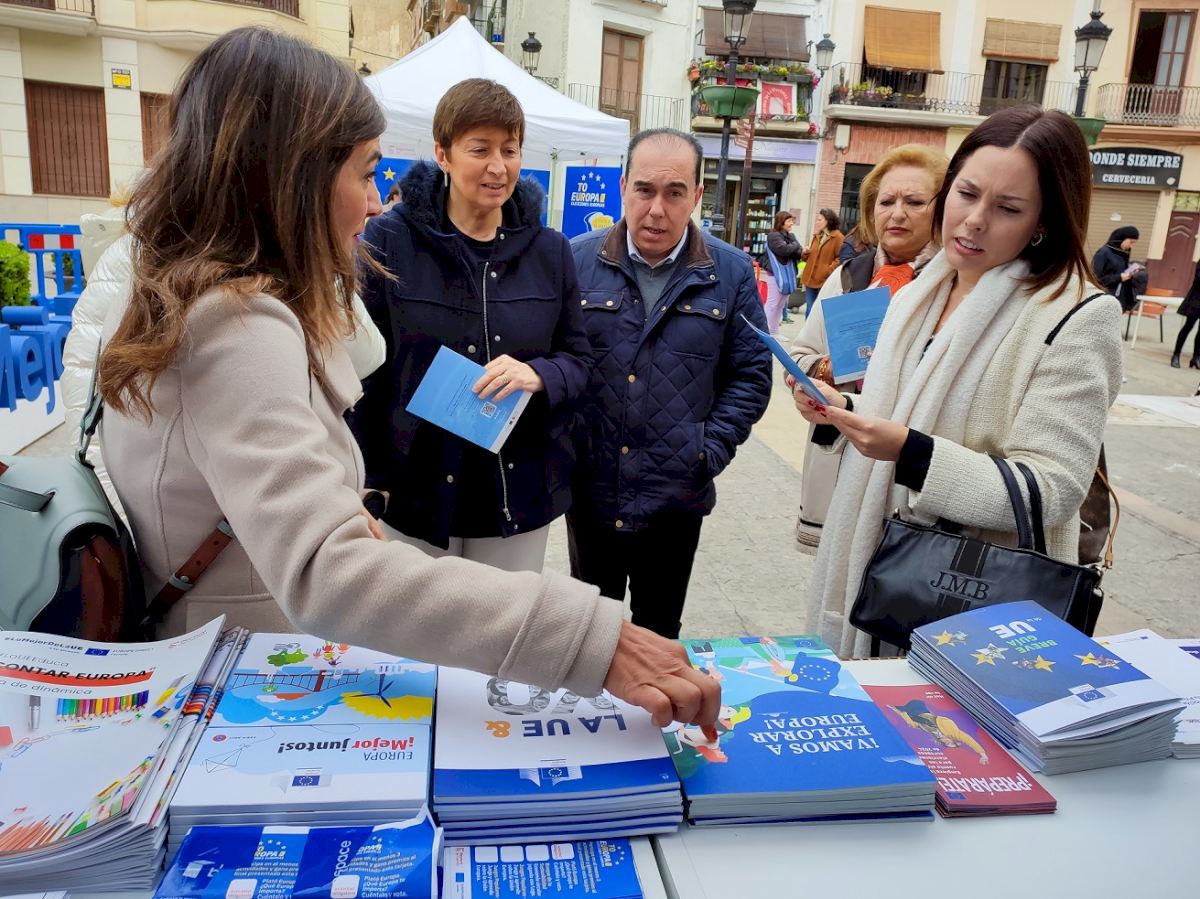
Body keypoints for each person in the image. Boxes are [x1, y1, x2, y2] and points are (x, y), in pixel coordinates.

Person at [96, 27, 718, 731]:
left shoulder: (182, 288)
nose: (373, 202)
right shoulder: (235, 322)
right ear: (294, 174)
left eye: (510, 149)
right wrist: (590, 638)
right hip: (244, 680)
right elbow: (327, 569)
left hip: (244, 653)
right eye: (365, 173)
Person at [797, 105, 1123, 658]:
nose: (974, 220)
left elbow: (1052, 489)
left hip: (973, 600)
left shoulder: (1077, 315)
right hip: (876, 565)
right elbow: (908, 408)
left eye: (1007, 208)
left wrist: (910, 453)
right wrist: (845, 409)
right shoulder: (918, 292)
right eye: (966, 194)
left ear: (1044, 221)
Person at [350, 79, 591, 573]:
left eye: (510, 150)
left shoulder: (550, 251)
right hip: (413, 491)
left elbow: (580, 361)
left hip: (517, 491)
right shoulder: (389, 240)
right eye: (480, 150)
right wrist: (369, 474)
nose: (498, 167)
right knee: (415, 619)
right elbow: (365, 368)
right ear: (443, 154)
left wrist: (540, 374)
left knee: (506, 620)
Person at [567, 127, 773, 639]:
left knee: (658, 636)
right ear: (623, 188)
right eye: (644, 190)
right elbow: (556, 360)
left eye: (674, 192)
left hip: (675, 500)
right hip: (592, 493)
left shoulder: (730, 273)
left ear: (697, 195)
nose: (657, 209)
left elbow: (751, 375)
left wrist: (706, 451)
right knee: (588, 637)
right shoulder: (576, 261)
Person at [788, 144, 947, 549]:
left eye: (914, 202)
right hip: (841, 448)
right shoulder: (848, 277)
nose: (897, 213)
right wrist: (825, 374)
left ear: (943, 209)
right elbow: (801, 355)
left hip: (908, 465)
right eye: (886, 201)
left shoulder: (954, 283)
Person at [761, 211, 803, 335]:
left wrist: (794, 246)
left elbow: (798, 252)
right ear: (781, 222)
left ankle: (774, 332)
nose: (791, 223)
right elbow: (784, 250)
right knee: (772, 304)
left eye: (792, 221)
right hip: (776, 274)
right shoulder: (773, 236)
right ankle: (764, 332)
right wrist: (795, 244)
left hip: (787, 274)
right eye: (789, 221)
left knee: (780, 305)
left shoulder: (789, 236)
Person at [799, 208, 844, 317]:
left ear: (828, 221)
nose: (817, 222)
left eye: (819, 220)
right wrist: (805, 253)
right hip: (810, 279)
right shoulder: (816, 235)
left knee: (820, 312)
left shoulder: (838, 237)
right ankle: (808, 329)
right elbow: (808, 257)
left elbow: (840, 258)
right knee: (809, 310)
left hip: (824, 280)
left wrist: (827, 270)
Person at [1091, 226, 1141, 312]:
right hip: (1104, 300)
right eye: (1131, 242)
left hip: (1117, 300)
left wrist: (1130, 272)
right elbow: (1095, 278)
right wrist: (1119, 277)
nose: (1131, 246)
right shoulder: (1103, 253)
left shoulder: (1122, 253)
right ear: (1122, 238)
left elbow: (1120, 273)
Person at [1173, 261, 1200, 368]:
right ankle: (1176, 355)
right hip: (1196, 300)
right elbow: (1198, 279)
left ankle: (1196, 357)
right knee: (1188, 326)